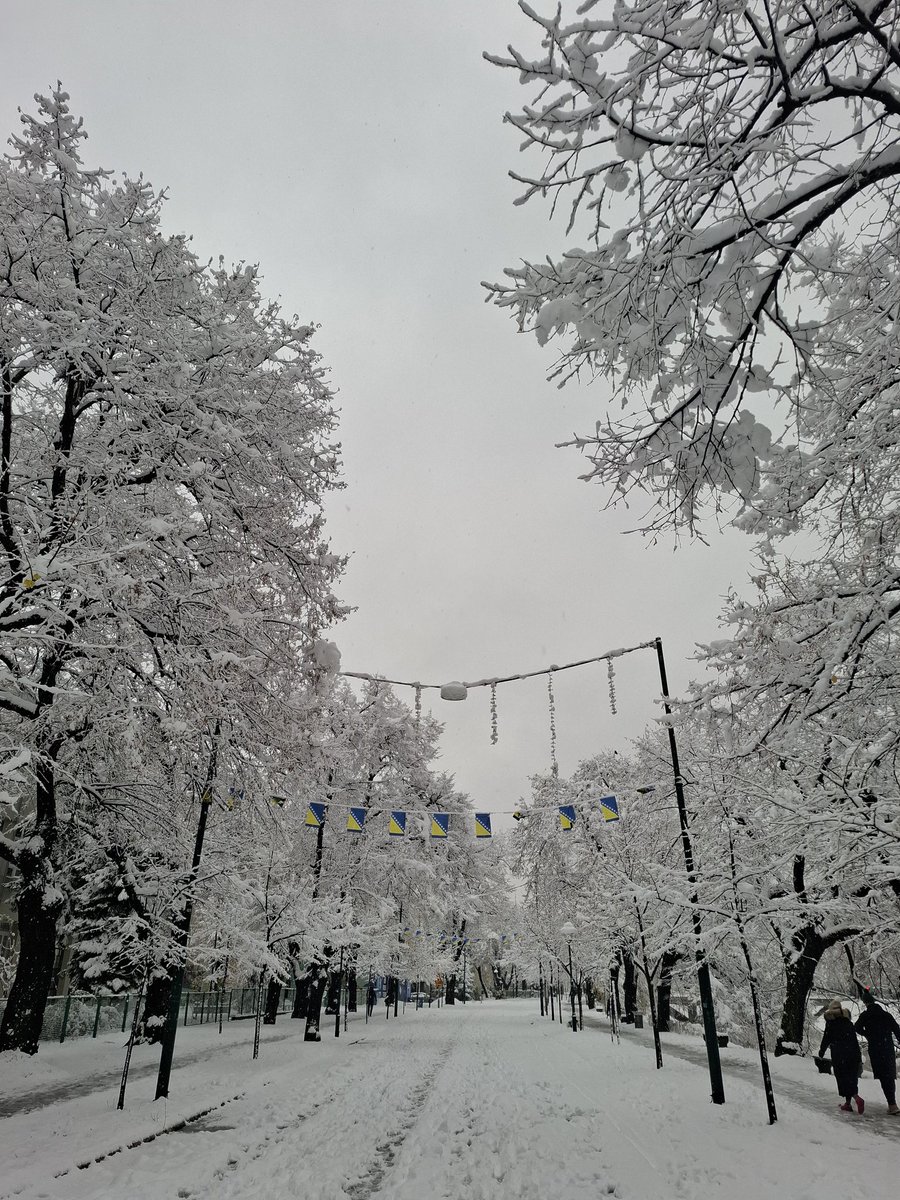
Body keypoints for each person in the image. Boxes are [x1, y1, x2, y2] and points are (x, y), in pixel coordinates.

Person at [854, 989, 900, 1115]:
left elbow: (856, 1028)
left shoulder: (865, 1016)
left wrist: (867, 1034)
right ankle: (892, 1103)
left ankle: (892, 1104)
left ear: (865, 1003)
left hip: (875, 1049)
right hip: (888, 1048)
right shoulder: (886, 1015)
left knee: (883, 1076)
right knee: (889, 1075)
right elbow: (897, 1030)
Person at [818, 998, 865, 1113]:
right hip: (852, 1055)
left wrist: (821, 1051)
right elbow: (854, 1041)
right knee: (851, 1078)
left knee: (842, 1078)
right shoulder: (848, 1023)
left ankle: (856, 1098)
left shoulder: (831, 1024)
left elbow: (826, 1039)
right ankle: (848, 1104)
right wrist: (858, 1057)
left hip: (839, 1056)